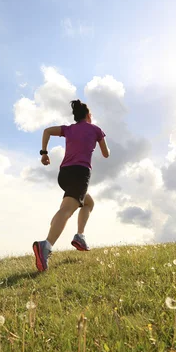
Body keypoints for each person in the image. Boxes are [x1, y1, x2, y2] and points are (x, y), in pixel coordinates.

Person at [32, 100, 110, 272]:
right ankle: (46, 245)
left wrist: (44, 153)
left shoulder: (69, 129)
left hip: (64, 174)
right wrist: (99, 140)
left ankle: (79, 236)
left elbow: (47, 131)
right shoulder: (96, 129)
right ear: (88, 116)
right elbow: (106, 154)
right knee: (67, 210)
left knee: (88, 203)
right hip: (80, 173)